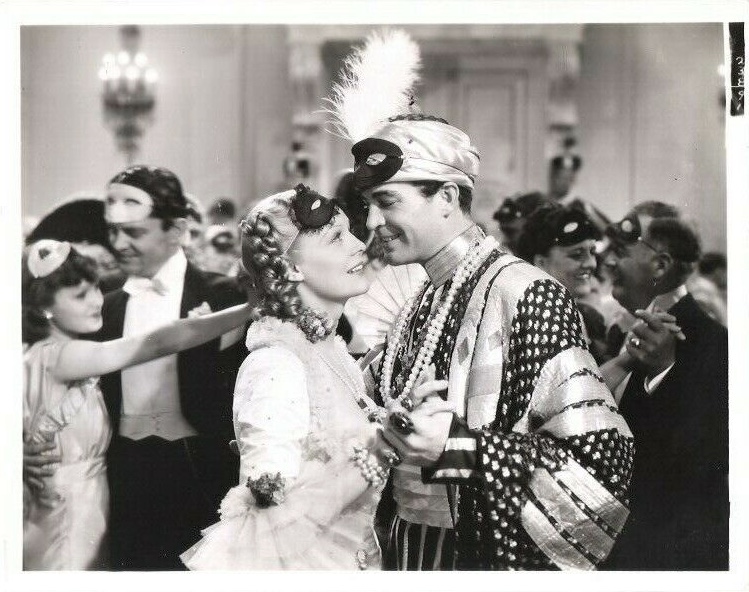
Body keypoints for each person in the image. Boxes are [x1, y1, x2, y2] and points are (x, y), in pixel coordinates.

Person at [181, 184, 447, 569]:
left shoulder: (330, 354)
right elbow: (268, 527)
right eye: (336, 237)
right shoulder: (275, 366)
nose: (360, 244)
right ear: (291, 267)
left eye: (350, 231)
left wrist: (403, 415)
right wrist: (389, 442)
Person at [22, 239, 253, 570]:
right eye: (79, 295)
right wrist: (246, 311)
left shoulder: (33, 355)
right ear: (43, 306)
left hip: (80, 506)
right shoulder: (62, 356)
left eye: (95, 289)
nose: (96, 301)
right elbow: (158, 343)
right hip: (67, 514)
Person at [98, 165, 249, 570]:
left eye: (134, 233)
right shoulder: (104, 302)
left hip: (199, 470)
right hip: (123, 474)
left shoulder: (226, 294)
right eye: (113, 232)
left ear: (177, 230)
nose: (119, 244)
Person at [600, 203, 728, 570]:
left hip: (671, 553)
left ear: (660, 265)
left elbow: (707, 458)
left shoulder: (713, 343)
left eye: (622, 253)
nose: (609, 262)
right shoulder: (622, 332)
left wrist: (663, 373)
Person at [514, 203, 608, 363]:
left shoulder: (591, 319)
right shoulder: (530, 325)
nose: (591, 263)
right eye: (577, 255)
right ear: (541, 263)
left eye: (592, 252)